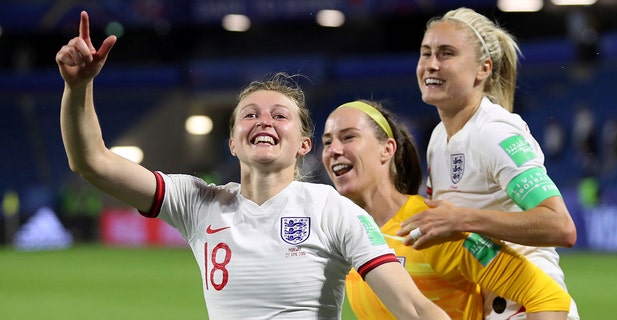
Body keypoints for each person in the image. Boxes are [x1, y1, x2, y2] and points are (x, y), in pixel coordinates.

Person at [55, 11, 451, 320]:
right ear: (232, 142)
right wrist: (78, 88)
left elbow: (414, 309)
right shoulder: (197, 202)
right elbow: (92, 161)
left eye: (280, 116)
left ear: (303, 145)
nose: (264, 121)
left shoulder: (334, 210)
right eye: (250, 115)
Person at [398, 7, 580, 319]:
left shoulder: (493, 132)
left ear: (483, 69)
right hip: (490, 303)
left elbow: (560, 226)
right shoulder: (440, 136)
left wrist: (462, 219)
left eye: (446, 53)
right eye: (425, 53)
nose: (431, 64)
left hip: (530, 303)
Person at [322, 100, 571, 320]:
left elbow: (548, 298)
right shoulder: (346, 235)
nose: (333, 150)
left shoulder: (434, 226)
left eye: (348, 137)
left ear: (387, 149)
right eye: (327, 142)